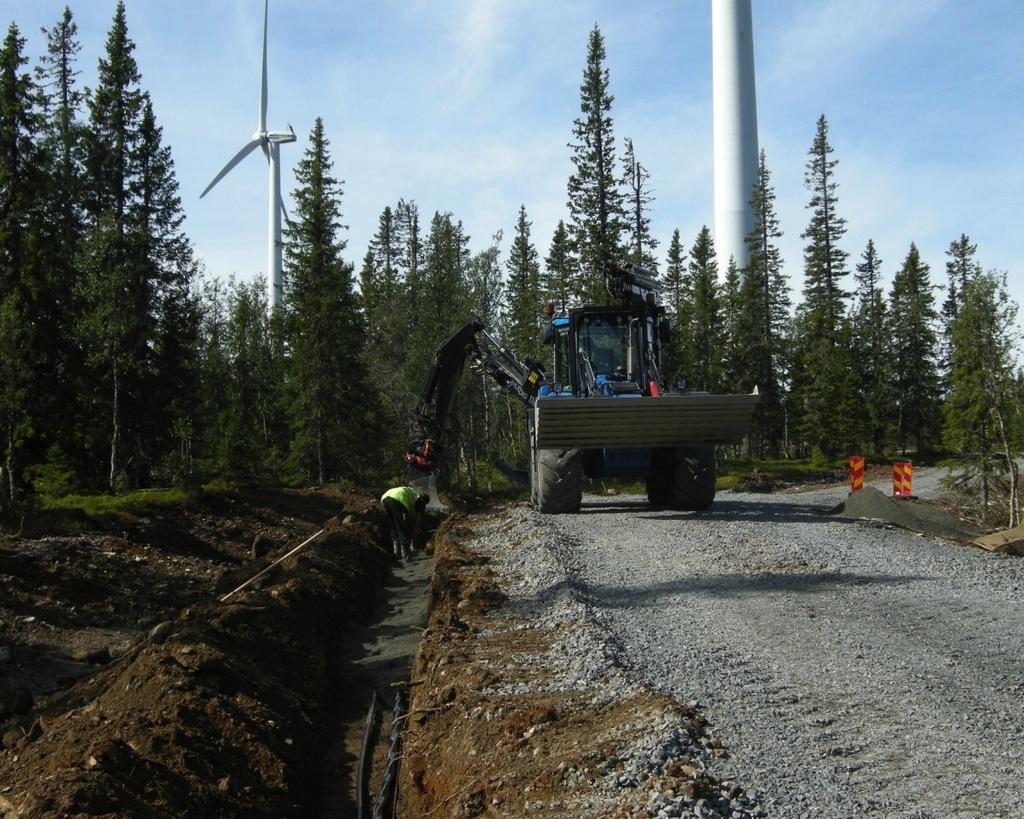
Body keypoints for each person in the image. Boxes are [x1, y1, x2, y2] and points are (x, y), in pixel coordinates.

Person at [380, 486, 429, 561]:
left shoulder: (414, 496)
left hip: (384, 499)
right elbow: (416, 523)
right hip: (398, 500)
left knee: (394, 526)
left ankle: (396, 553)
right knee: (402, 527)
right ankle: (406, 555)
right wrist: (414, 536)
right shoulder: (419, 504)